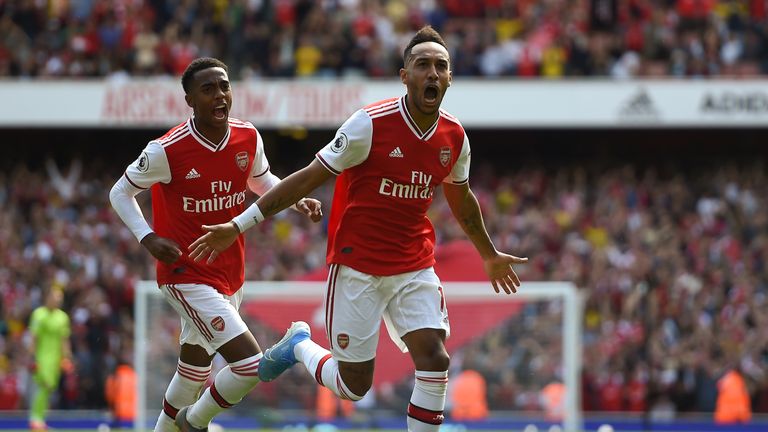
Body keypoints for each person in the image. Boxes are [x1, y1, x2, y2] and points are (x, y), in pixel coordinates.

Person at [189, 26, 527, 432]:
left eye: (441, 66)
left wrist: (488, 254)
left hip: (414, 265)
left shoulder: (454, 136)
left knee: (435, 358)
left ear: (450, 77)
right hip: (357, 266)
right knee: (354, 387)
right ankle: (299, 347)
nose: (432, 73)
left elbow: (461, 196)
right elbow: (309, 177)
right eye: (422, 65)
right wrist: (239, 223)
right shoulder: (369, 124)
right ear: (405, 76)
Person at [109, 57, 322, 432]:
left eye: (224, 86)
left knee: (192, 372)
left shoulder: (247, 137)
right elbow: (120, 192)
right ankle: (195, 422)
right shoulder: (167, 150)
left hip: (229, 274)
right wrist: (148, 237)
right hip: (185, 274)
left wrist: (294, 199)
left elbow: (260, 180)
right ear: (189, 99)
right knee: (249, 365)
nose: (220, 95)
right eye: (208, 89)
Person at [28, 288, 72, 431]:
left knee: (49, 389)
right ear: (47, 297)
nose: (58, 300)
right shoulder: (39, 315)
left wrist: (66, 357)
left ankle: (40, 419)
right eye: (56, 297)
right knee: (44, 386)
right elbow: (34, 338)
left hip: (56, 359)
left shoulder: (63, 317)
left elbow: (64, 339)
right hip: (42, 358)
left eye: (60, 298)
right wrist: (32, 357)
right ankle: (35, 419)